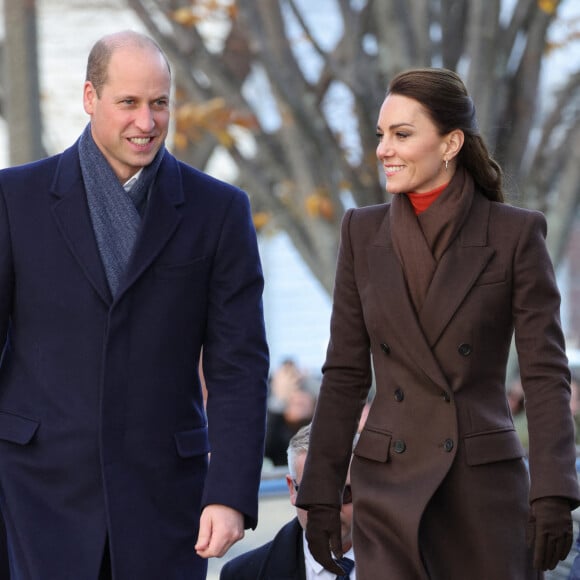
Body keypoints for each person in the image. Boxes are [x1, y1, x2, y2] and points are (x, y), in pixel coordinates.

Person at [0, 30, 269, 579]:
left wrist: (230, 493)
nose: (146, 123)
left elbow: (239, 364)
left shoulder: (218, 211)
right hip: (33, 495)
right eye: (128, 103)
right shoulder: (13, 199)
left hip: (165, 498)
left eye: (159, 103)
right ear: (90, 98)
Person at [295, 67, 580, 579]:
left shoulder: (515, 235)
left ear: (450, 143)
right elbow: (344, 372)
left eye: (402, 135)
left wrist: (554, 491)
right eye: (381, 135)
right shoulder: (362, 232)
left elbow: (545, 376)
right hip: (386, 493)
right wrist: (320, 491)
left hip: (481, 494)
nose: (384, 149)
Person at [220, 423, 356, 579]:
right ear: (292, 489)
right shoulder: (243, 575)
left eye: (341, 493)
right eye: (312, 493)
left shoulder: (389, 561)